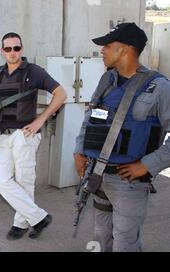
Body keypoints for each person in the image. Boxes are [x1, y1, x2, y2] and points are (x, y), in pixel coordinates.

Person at [74, 22, 170, 252]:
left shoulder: (160, 87)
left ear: (125, 49)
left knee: (125, 243)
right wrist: (79, 150)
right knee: (101, 237)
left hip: (128, 182)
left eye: (107, 45)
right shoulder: (107, 80)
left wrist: (147, 165)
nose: (102, 50)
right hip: (97, 176)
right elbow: (91, 116)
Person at [0, 32, 67, 240]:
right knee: (1, 181)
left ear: (22, 49)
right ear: (2, 51)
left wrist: (41, 120)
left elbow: (61, 94)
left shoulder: (34, 71)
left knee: (25, 181)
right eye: (8, 49)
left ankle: (21, 223)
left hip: (24, 135)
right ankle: (39, 217)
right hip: (3, 135)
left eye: (16, 48)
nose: (12, 52)